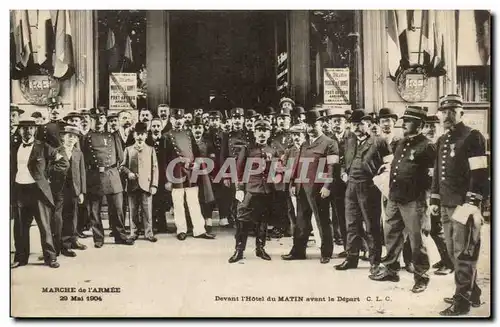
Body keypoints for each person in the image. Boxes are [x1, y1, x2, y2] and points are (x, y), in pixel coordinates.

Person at [430, 95, 488, 316]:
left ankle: (462, 301)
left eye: (452, 111)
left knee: (465, 252)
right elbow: (437, 172)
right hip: (446, 204)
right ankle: (471, 292)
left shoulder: (472, 136)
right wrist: (435, 199)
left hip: (464, 205)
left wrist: (472, 202)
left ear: (461, 113)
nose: (447, 115)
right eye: (444, 112)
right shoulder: (443, 139)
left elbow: (480, 173)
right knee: (455, 252)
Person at [368, 106, 434, 294]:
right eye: (404, 120)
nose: (403, 123)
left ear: (420, 125)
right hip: (395, 197)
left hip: (414, 200)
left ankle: (421, 276)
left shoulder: (427, 146)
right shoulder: (401, 143)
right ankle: (391, 270)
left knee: (416, 239)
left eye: (409, 121)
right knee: (391, 234)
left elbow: (431, 177)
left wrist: (426, 200)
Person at [335, 109, 392, 275]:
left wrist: (380, 179)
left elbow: (389, 165)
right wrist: (344, 172)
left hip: (369, 188)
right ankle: (351, 258)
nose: (357, 127)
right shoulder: (349, 141)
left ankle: (375, 262)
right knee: (351, 224)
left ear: (369, 124)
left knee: (371, 225)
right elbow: (345, 160)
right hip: (351, 187)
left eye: (360, 123)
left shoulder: (379, 142)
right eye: (353, 124)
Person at [282, 109, 339, 264]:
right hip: (301, 189)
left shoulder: (330, 143)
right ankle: (298, 251)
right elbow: (297, 166)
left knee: (322, 221)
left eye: (314, 124)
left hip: (318, 190)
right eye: (308, 124)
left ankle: (326, 252)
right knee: (301, 222)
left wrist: (327, 185)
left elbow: (332, 167)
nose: (311, 127)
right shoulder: (305, 144)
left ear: (321, 124)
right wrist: (293, 182)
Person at [11, 118, 69, 269]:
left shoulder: (43, 146)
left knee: (44, 226)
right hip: (20, 190)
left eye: (30, 128)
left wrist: (48, 177)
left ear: (35, 130)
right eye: (24, 128)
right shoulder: (13, 146)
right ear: (19, 130)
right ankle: (20, 258)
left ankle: (50, 258)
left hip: (38, 192)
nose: (27, 131)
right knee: (20, 227)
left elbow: (63, 163)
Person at [81, 107, 135, 248]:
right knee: (95, 210)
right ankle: (98, 239)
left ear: (105, 119)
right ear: (91, 120)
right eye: (95, 118)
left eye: (102, 118)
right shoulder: (85, 138)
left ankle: (121, 236)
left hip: (112, 175)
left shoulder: (112, 136)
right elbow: (82, 160)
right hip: (94, 176)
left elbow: (121, 157)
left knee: (117, 209)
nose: (99, 121)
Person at [228, 119, 279, 263]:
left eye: (265, 131)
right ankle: (239, 250)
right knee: (242, 220)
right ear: (255, 132)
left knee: (263, 220)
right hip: (250, 190)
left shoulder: (272, 151)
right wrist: (239, 188)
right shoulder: (247, 149)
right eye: (259, 131)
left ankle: (260, 248)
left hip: (266, 190)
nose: (262, 133)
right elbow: (238, 170)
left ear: (269, 133)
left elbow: (275, 171)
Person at [163, 108, 215, 241]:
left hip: (191, 170)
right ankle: (181, 229)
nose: (178, 122)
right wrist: (167, 179)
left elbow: (196, 152)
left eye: (180, 119)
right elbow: (163, 159)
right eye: (176, 119)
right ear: (171, 120)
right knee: (178, 201)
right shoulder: (166, 136)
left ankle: (199, 229)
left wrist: (197, 165)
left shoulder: (188, 133)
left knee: (194, 201)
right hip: (175, 171)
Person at [423, 114, 454, 275]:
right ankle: (446, 258)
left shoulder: (443, 144)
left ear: (439, 127)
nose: (430, 129)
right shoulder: (428, 144)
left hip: (440, 193)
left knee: (437, 228)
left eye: (433, 126)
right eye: (427, 126)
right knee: (435, 227)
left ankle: (449, 263)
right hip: (429, 191)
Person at [52, 124, 88, 258]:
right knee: (57, 218)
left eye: (74, 137)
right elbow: (50, 171)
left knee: (72, 216)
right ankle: (57, 245)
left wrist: (82, 192)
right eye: (69, 136)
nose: (71, 139)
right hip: (59, 190)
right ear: (63, 137)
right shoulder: (55, 151)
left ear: (77, 139)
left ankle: (69, 243)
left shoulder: (78, 153)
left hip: (74, 189)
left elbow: (82, 173)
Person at [120, 122, 159, 242]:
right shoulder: (128, 150)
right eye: (138, 134)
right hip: (132, 186)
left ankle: (148, 233)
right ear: (134, 135)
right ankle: (134, 232)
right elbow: (122, 166)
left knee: (147, 210)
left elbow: (155, 168)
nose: (140, 137)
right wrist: (128, 173)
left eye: (142, 134)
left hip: (146, 185)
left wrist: (154, 185)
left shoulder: (151, 150)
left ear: (146, 135)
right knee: (133, 210)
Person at [220, 108, 251, 227]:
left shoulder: (249, 134)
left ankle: (244, 220)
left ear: (243, 119)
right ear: (231, 120)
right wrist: (225, 175)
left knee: (246, 195)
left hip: (246, 169)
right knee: (233, 195)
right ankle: (235, 219)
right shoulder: (227, 135)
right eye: (235, 118)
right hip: (232, 168)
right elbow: (223, 156)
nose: (237, 120)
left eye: (239, 118)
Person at [269, 106, 294, 238]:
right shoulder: (273, 136)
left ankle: (292, 227)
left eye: (284, 118)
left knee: (290, 201)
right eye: (279, 118)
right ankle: (280, 227)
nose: (282, 121)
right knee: (278, 201)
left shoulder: (294, 135)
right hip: (277, 172)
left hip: (291, 172)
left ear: (290, 120)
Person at [191, 116, 216, 232]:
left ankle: (208, 220)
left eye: (199, 127)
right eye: (195, 127)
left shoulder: (208, 143)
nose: (197, 130)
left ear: (203, 129)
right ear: (191, 128)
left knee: (206, 197)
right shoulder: (188, 142)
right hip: (191, 174)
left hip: (205, 174)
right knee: (194, 198)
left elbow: (213, 159)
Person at [147, 117, 169, 233]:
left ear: (161, 127)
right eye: (153, 126)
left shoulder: (166, 140)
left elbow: (169, 159)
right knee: (151, 200)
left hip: (163, 175)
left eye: (158, 126)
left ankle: (162, 224)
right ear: (150, 128)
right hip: (150, 174)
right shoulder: (147, 141)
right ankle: (152, 224)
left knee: (162, 199)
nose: (156, 128)